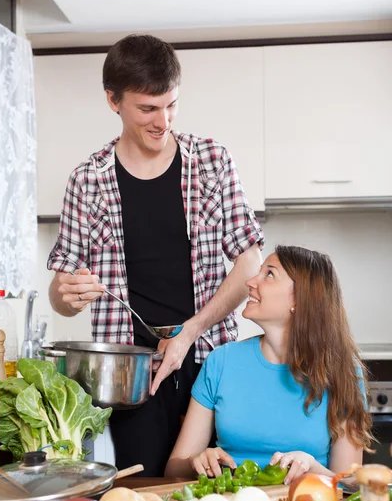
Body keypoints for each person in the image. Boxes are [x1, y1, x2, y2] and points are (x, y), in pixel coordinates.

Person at [47, 34, 264, 476]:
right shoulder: (87, 180)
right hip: (131, 376)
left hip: (209, 360)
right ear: (113, 101)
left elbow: (249, 264)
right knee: (144, 492)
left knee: (215, 491)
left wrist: (189, 332)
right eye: (148, 108)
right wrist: (66, 294)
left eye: (171, 105)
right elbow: (60, 293)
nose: (162, 121)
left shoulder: (212, 162)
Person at [165, 245, 373, 485]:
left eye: (269, 274)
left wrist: (313, 468)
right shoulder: (220, 362)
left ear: (300, 298)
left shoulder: (344, 373)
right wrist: (198, 461)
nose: (251, 282)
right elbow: (174, 470)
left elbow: (351, 485)